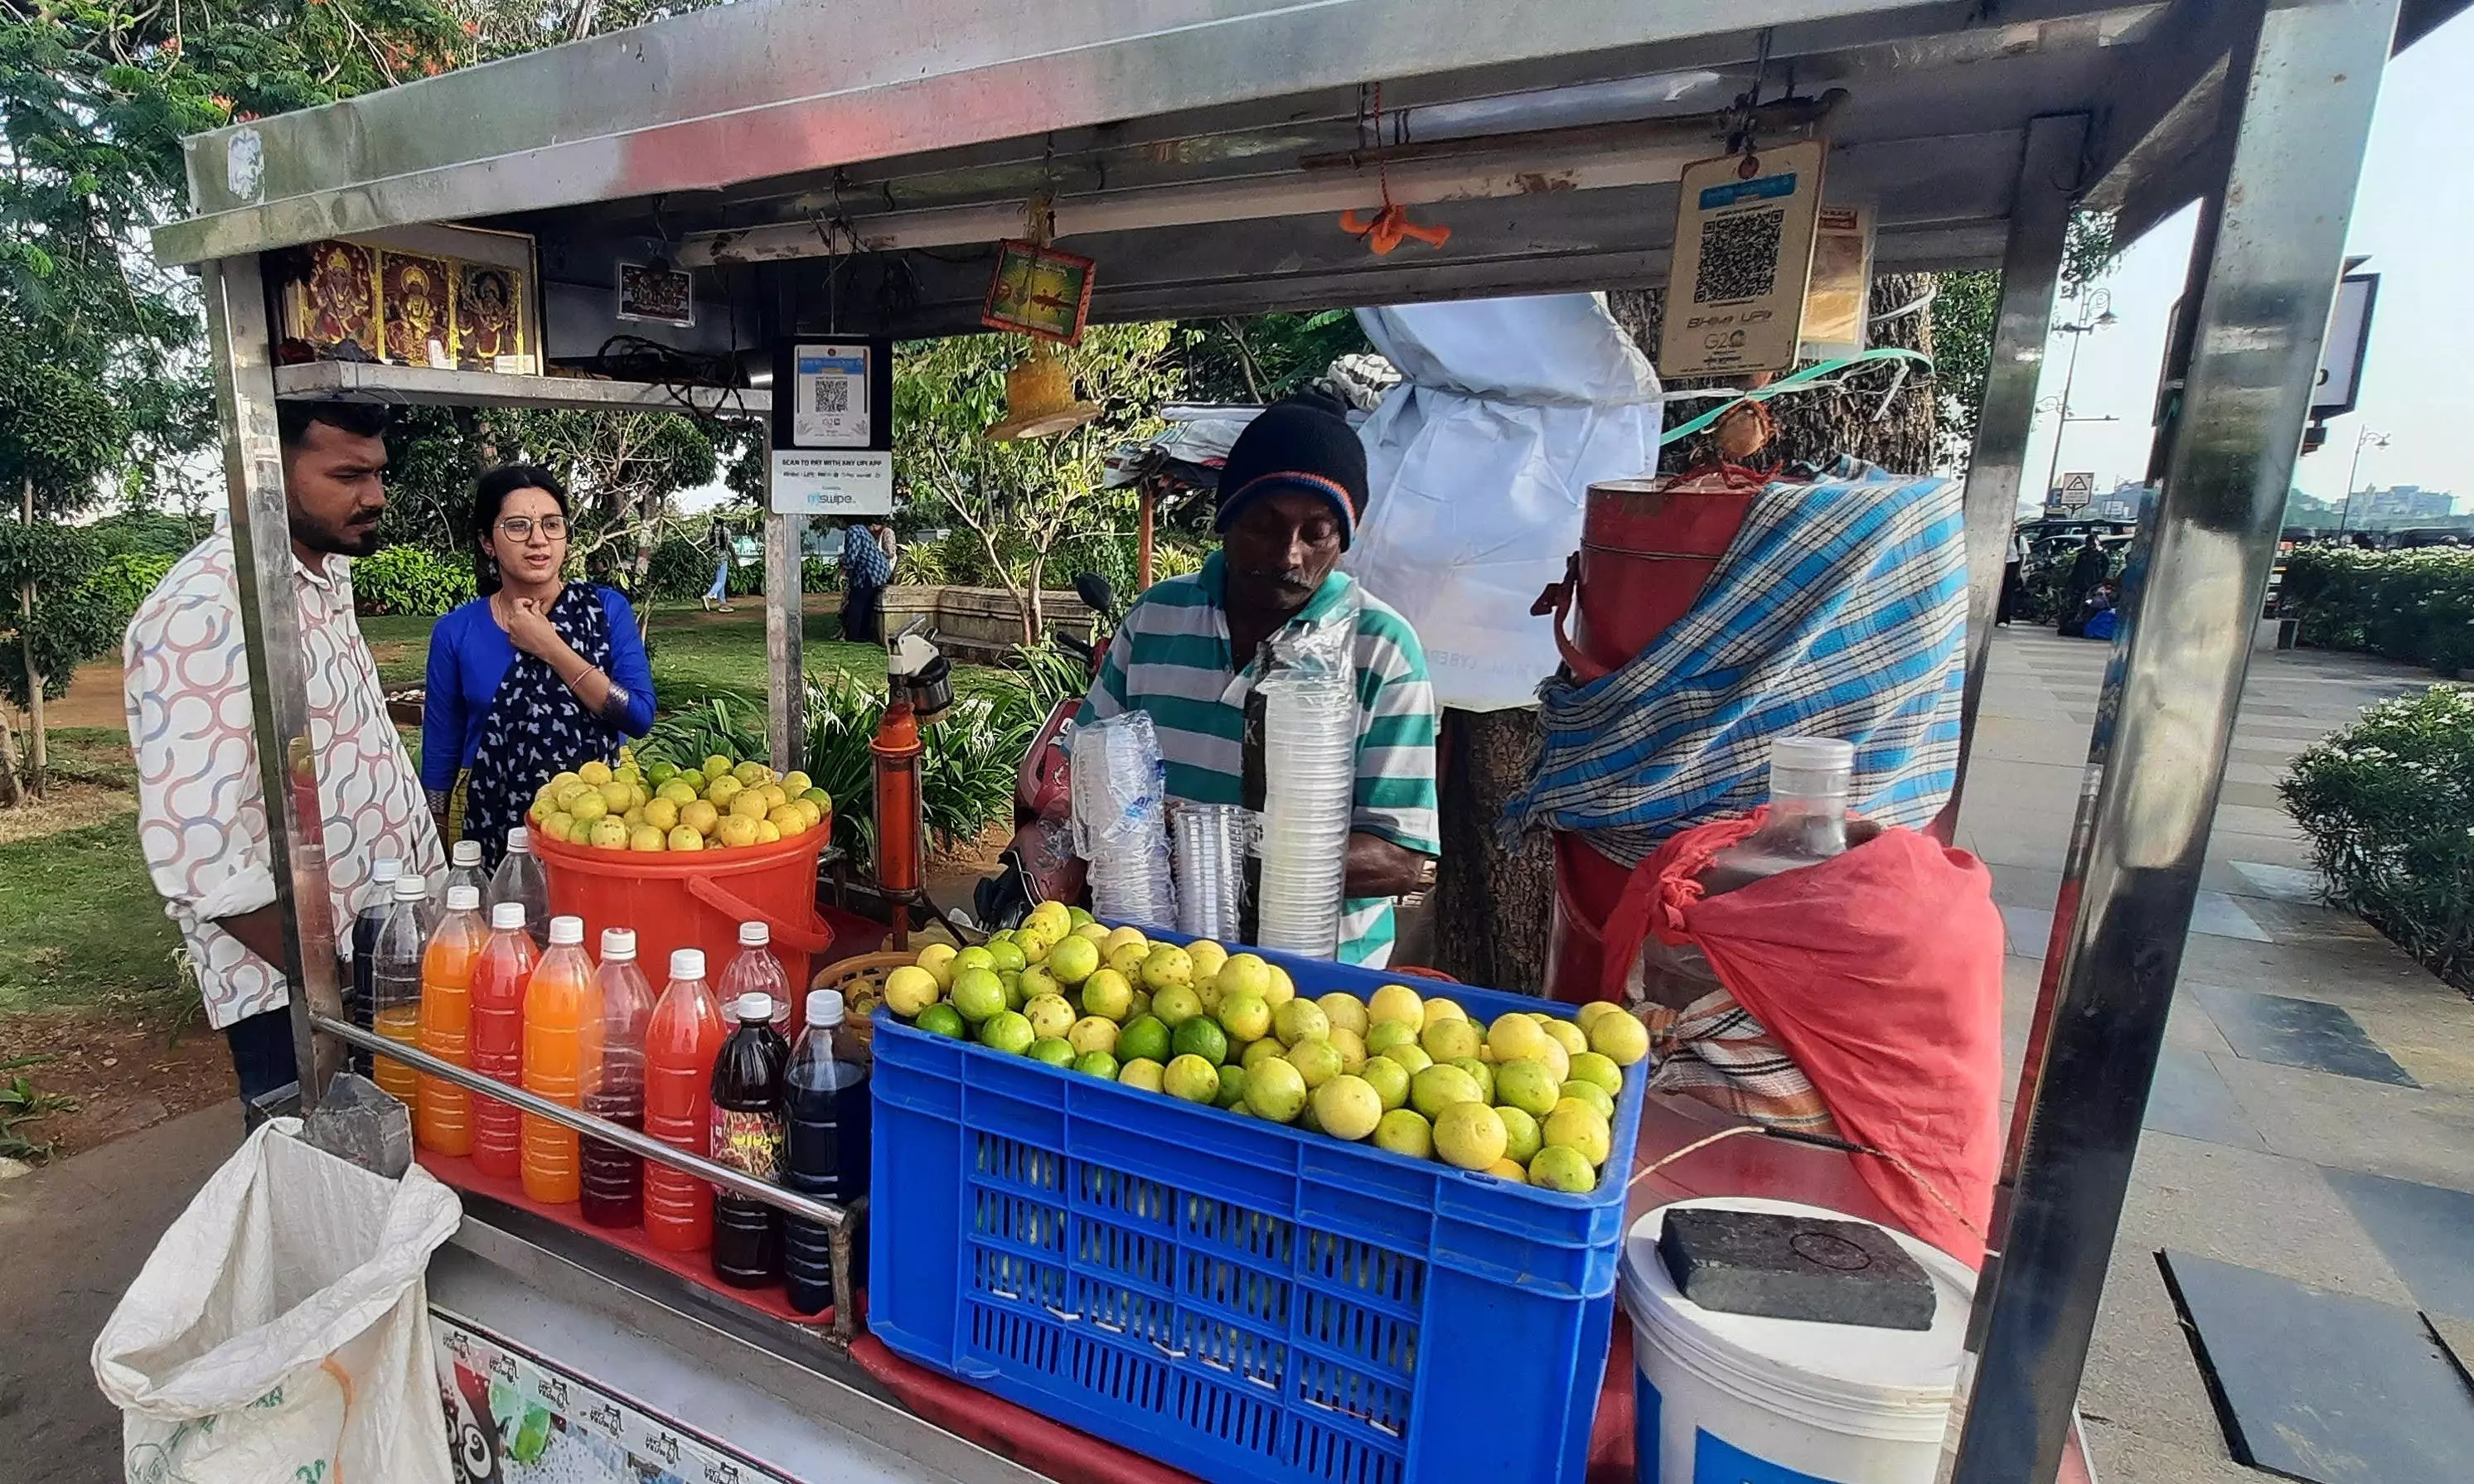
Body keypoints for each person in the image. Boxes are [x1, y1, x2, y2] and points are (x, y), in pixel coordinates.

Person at [124, 402, 443, 1112]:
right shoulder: (206, 608)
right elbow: (198, 851)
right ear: (265, 469)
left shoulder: (320, 578)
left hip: (376, 973)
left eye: (378, 473)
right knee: (322, 1195)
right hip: (296, 999)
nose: (375, 497)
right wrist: (330, 985)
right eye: (348, 475)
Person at [1076, 396, 1440, 966]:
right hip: (1159, 963)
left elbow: (1399, 857)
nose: (1287, 554)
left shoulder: (1380, 648)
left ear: (1343, 539)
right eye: (1264, 525)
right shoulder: (1155, 618)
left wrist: (1219, 845)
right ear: (1225, 518)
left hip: (1318, 983)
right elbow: (1087, 770)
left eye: (1316, 533)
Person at [421, 466, 656, 865]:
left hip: (600, 817)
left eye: (551, 524)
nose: (538, 540)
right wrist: (436, 836)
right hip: (487, 815)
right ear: (486, 542)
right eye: (517, 526)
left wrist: (551, 647)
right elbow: (442, 748)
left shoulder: (605, 610)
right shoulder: (456, 631)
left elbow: (637, 715)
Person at [840, 518, 893, 643]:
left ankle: (854, 635)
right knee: (867, 604)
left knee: (857, 602)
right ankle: (864, 634)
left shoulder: (853, 531)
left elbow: (852, 555)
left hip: (869, 572)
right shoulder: (863, 530)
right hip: (880, 571)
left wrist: (844, 566)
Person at [1996, 524, 2030, 626]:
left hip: (2012, 566)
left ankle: (2004, 618)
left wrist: (2020, 570)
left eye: (2014, 528)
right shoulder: (2001, 537)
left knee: (2007, 593)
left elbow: (2023, 555)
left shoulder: (2019, 539)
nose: (2012, 530)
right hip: (1998, 566)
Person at [701, 526, 734, 611]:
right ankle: (709, 596)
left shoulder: (711, 530)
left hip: (714, 558)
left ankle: (723, 604)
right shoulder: (726, 530)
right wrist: (736, 558)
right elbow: (730, 545)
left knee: (719, 580)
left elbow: (708, 544)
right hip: (723, 558)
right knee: (721, 581)